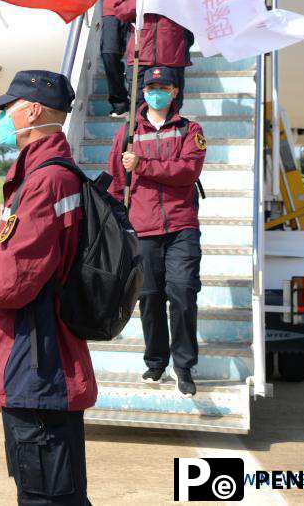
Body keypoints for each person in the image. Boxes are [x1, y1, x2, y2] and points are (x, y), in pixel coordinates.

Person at [0, 71, 96, 505]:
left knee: (47, 497)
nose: (3, 117)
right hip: (40, 359)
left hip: (38, 364)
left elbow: (11, 281)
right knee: (50, 490)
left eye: (8, 108)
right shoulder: (46, 173)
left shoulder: (45, 181)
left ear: (33, 110)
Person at [107, 66, 206, 397]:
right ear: (144, 91)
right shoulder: (128, 133)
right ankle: (156, 362)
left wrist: (143, 165)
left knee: (182, 293)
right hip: (143, 228)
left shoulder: (191, 130)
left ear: (175, 92)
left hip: (181, 227)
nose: (155, 91)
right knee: (149, 299)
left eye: (163, 86)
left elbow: (187, 171)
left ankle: (184, 366)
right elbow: (116, 180)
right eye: (150, 87)